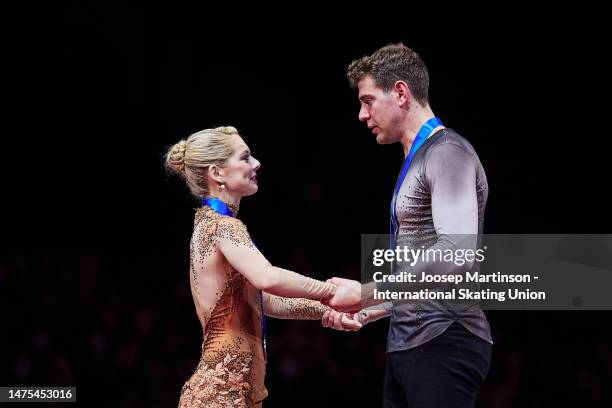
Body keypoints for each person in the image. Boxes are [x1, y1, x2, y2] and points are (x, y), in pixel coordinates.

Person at [322, 43, 493, 408]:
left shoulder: (447, 151)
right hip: (410, 344)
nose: (361, 115)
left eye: (367, 101)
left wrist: (366, 291)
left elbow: (457, 254)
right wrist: (372, 310)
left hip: (446, 339)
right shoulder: (417, 158)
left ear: (400, 92)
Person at [165, 126, 360, 408]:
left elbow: (262, 299)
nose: (256, 163)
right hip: (219, 398)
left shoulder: (209, 224)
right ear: (217, 173)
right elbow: (267, 277)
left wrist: (326, 311)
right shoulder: (222, 226)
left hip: (233, 396)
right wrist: (331, 292)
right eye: (244, 157)